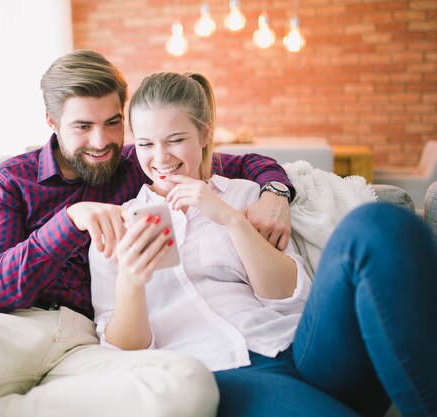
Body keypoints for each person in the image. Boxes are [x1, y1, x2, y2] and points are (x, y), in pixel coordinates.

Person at [0, 50, 297, 417]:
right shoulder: (13, 181)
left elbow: (223, 160)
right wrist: (68, 220)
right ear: (52, 124)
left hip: (90, 340)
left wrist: (276, 191)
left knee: (183, 391)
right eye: (82, 126)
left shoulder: (133, 163)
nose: (101, 141)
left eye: (113, 123)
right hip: (15, 325)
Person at [90, 71, 437, 417]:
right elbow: (124, 348)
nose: (161, 158)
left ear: (204, 134)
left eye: (175, 139)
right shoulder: (117, 227)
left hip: (306, 348)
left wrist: (230, 218)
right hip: (225, 373)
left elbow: (288, 295)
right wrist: (131, 280)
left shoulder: (245, 195)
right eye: (147, 144)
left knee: (377, 223)